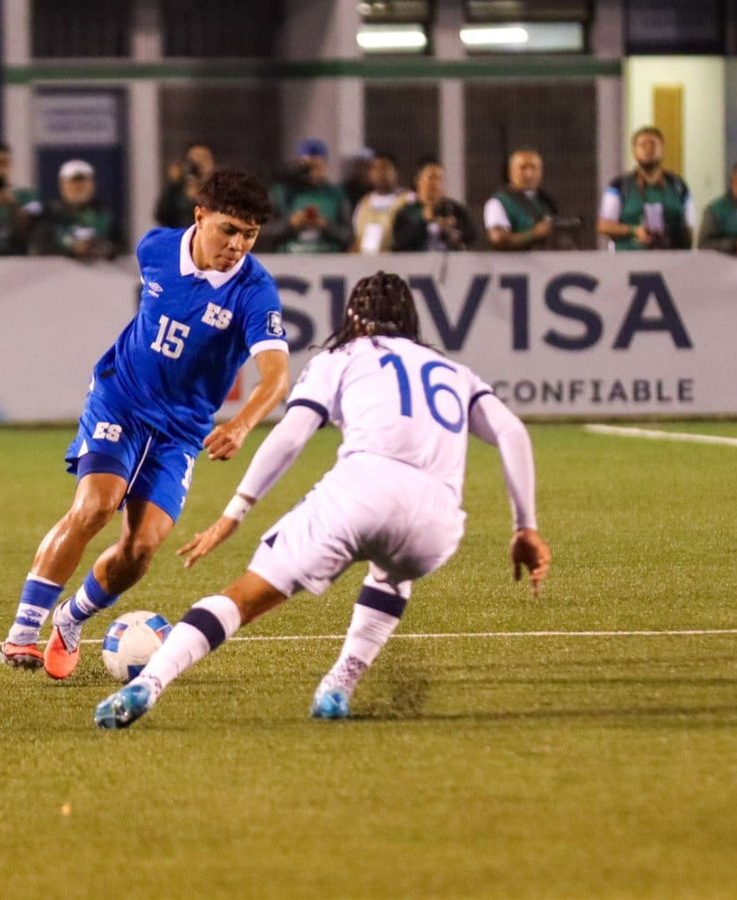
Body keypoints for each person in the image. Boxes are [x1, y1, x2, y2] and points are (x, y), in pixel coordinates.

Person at [92, 270, 552, 729]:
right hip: (436, 523)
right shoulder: (456, 373)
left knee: (243, 598)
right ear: (411, 321)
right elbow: (512, 431)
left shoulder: (343, 356)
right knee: (392, 572)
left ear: (353, 317)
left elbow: (291, 436)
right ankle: (338, 686)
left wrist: (236, 511)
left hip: (360, 493)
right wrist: (524, 526)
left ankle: (147, 683)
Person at [0, 170, 291, 677]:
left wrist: (242, 425)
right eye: (228, 230)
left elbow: (276, 377)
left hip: (180, 431)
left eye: (249, 234)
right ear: (199, 217)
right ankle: (23, 632)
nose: (238, 245)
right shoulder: (155, 249)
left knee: (142, 548)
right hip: (122, 400)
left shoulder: (254, 292)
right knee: (96, 505)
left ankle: (71, 620)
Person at [596, 126, 695, 251]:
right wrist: (634, 231)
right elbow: (603, 226)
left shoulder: (678, 185)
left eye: (653, 144)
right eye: (643, 145)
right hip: (627, 261)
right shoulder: (619, 185)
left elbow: (689, 228)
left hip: (671, 260)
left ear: (663, 149)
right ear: (634, 151)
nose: (648, 149)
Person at [268, 138, 352, 253]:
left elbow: (348, 234)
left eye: (317, 167)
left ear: (325, 165)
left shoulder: (336, 194)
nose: (311, 172)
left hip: (328, 259)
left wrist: (325, 226)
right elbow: (265, 232)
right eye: (307, 168)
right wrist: (290, 224)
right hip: (289, 259)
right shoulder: (282, 193)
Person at [30, 159, 122, 261]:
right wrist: (72, 250)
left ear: (92, 185)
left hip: (99, 274)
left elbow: (122, 247)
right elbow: (39, 249)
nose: (78, 187)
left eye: (83, 183)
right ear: (62, 185)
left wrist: (101, 249)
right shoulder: (49, 214)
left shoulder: (103, 214)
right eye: (73, 183)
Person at [484, 149, 561, 251]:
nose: (529, 174)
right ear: (511, 172)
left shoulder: (546, 200)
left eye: (534, 168)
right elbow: (498, 238)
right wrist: (533, 234)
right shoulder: (498, 202)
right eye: (523, 168)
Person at [392, 158, 476, 252]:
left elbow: (472, 236)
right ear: (417, 180)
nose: (436, 183)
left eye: (440, 178)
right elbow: (400, 244)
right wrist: (424, 221)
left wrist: (454, 226)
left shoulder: (453, 209)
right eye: (431, 177)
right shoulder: (407, 212)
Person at [351, 152, 409, 254]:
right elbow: (357, 236)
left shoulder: (407, 199)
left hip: (396, 259)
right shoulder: (364, 203)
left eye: (384, 168)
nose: (379, 173)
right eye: (375, 168)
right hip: (366, 261)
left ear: (395, 172)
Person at [154, 142, 215, 229]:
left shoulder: (219, 191)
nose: (198, 164)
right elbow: (161, 216)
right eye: (193, 160)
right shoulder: (175, 191)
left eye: (203, 158)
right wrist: (173, 184)